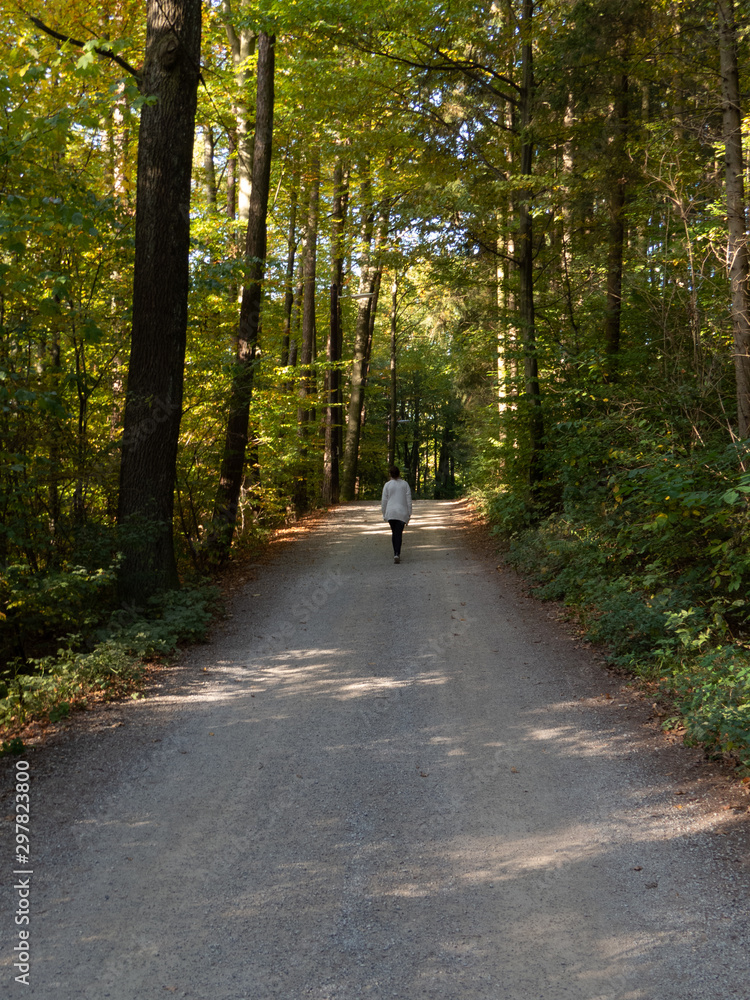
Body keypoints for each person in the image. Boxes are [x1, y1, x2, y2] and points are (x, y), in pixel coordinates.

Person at [381, 465, 412, 563]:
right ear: (399, 473)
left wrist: (384, 513)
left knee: (394, 533)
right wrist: (409, 514)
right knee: (398, 533)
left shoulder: (387, 485)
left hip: (391, 513)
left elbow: (384, 501)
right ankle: (397, 553)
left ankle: (396, 553)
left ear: (390, 474)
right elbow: (408, 501)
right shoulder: (405, 484)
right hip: (402, 513)